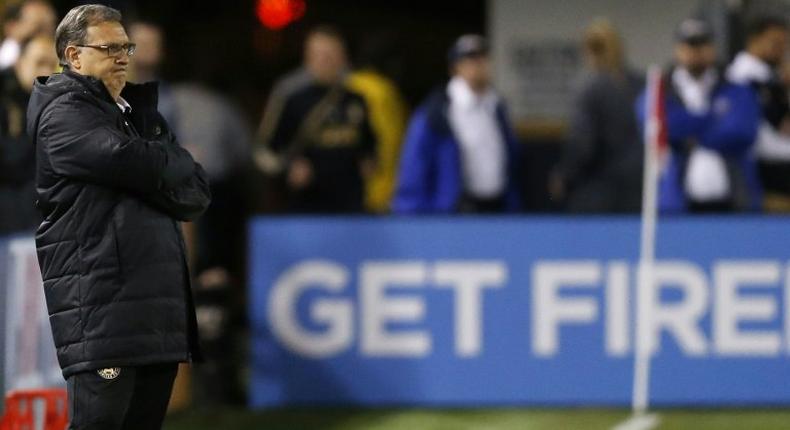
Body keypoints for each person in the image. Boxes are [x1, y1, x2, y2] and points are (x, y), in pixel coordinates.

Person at [27, 5, 210, 429]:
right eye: (109, 48)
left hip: (154, 315)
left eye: (126, 46)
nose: (124, 57)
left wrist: (162, 165)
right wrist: (170, 161)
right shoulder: (62, 113)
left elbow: (196, 193)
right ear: (74, 56)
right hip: (103, 313)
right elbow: (129, 160)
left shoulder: (137, 113)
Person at [636, 19, 761, 213]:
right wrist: (712, 119)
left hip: (734, 202)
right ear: (678, 49)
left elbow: (741, 132)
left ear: (712, 47)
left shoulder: (735, 87)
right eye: (690, 45)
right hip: (678, 204)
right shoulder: (661, 91)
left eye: (702, 44)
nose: (696, 52)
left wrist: (690, 132)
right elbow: (659, 128)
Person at [254, 25, 376, 213]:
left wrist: (369, 161)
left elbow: (368, 144)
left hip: (350, 203)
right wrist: (289, 168)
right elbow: (264, 152)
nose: (325, 62)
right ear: (307, 57)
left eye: (331, 55)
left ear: (343, 57)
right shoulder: (291, 97)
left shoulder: (357, 98)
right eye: (319, 55)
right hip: (306, 204)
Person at [393, 34, 521, 214]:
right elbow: (414, 169)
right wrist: (414, 215)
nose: (477, 64)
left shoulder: (496, 107)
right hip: (457, 212)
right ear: (455, 67)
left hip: (497, 207)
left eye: (482, 57)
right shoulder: (436, 112)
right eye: (469, 59)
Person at [550, 19, 643, 213]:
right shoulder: (639, 84)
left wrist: (565, 175)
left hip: (598, 190)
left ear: (589, 52)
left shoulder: (590, 88)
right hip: (638, 188)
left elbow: (582, 144)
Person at [726, 15, 790, 211]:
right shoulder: (742, 75)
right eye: (775, 43)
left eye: (784, 43)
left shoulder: (771, 74)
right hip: (763, 166)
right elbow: (777, 120)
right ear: (754, 41)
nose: (781, 49)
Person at [0, 35, 57, 236]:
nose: (47, 72)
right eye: (40, 62)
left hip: (41, 226)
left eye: (52, 65)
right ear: (19, 63)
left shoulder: (57, 108)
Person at [346, 33, 409, 213]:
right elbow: (390, 143)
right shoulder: (382, 91)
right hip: (377, 194)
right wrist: (387, 192)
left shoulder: (347, 84)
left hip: (346, 194)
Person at [0, 0, 55, 69]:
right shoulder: (8, 56)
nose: (44, 34)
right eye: (37, 26)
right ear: (12, 26)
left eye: (50, 25)